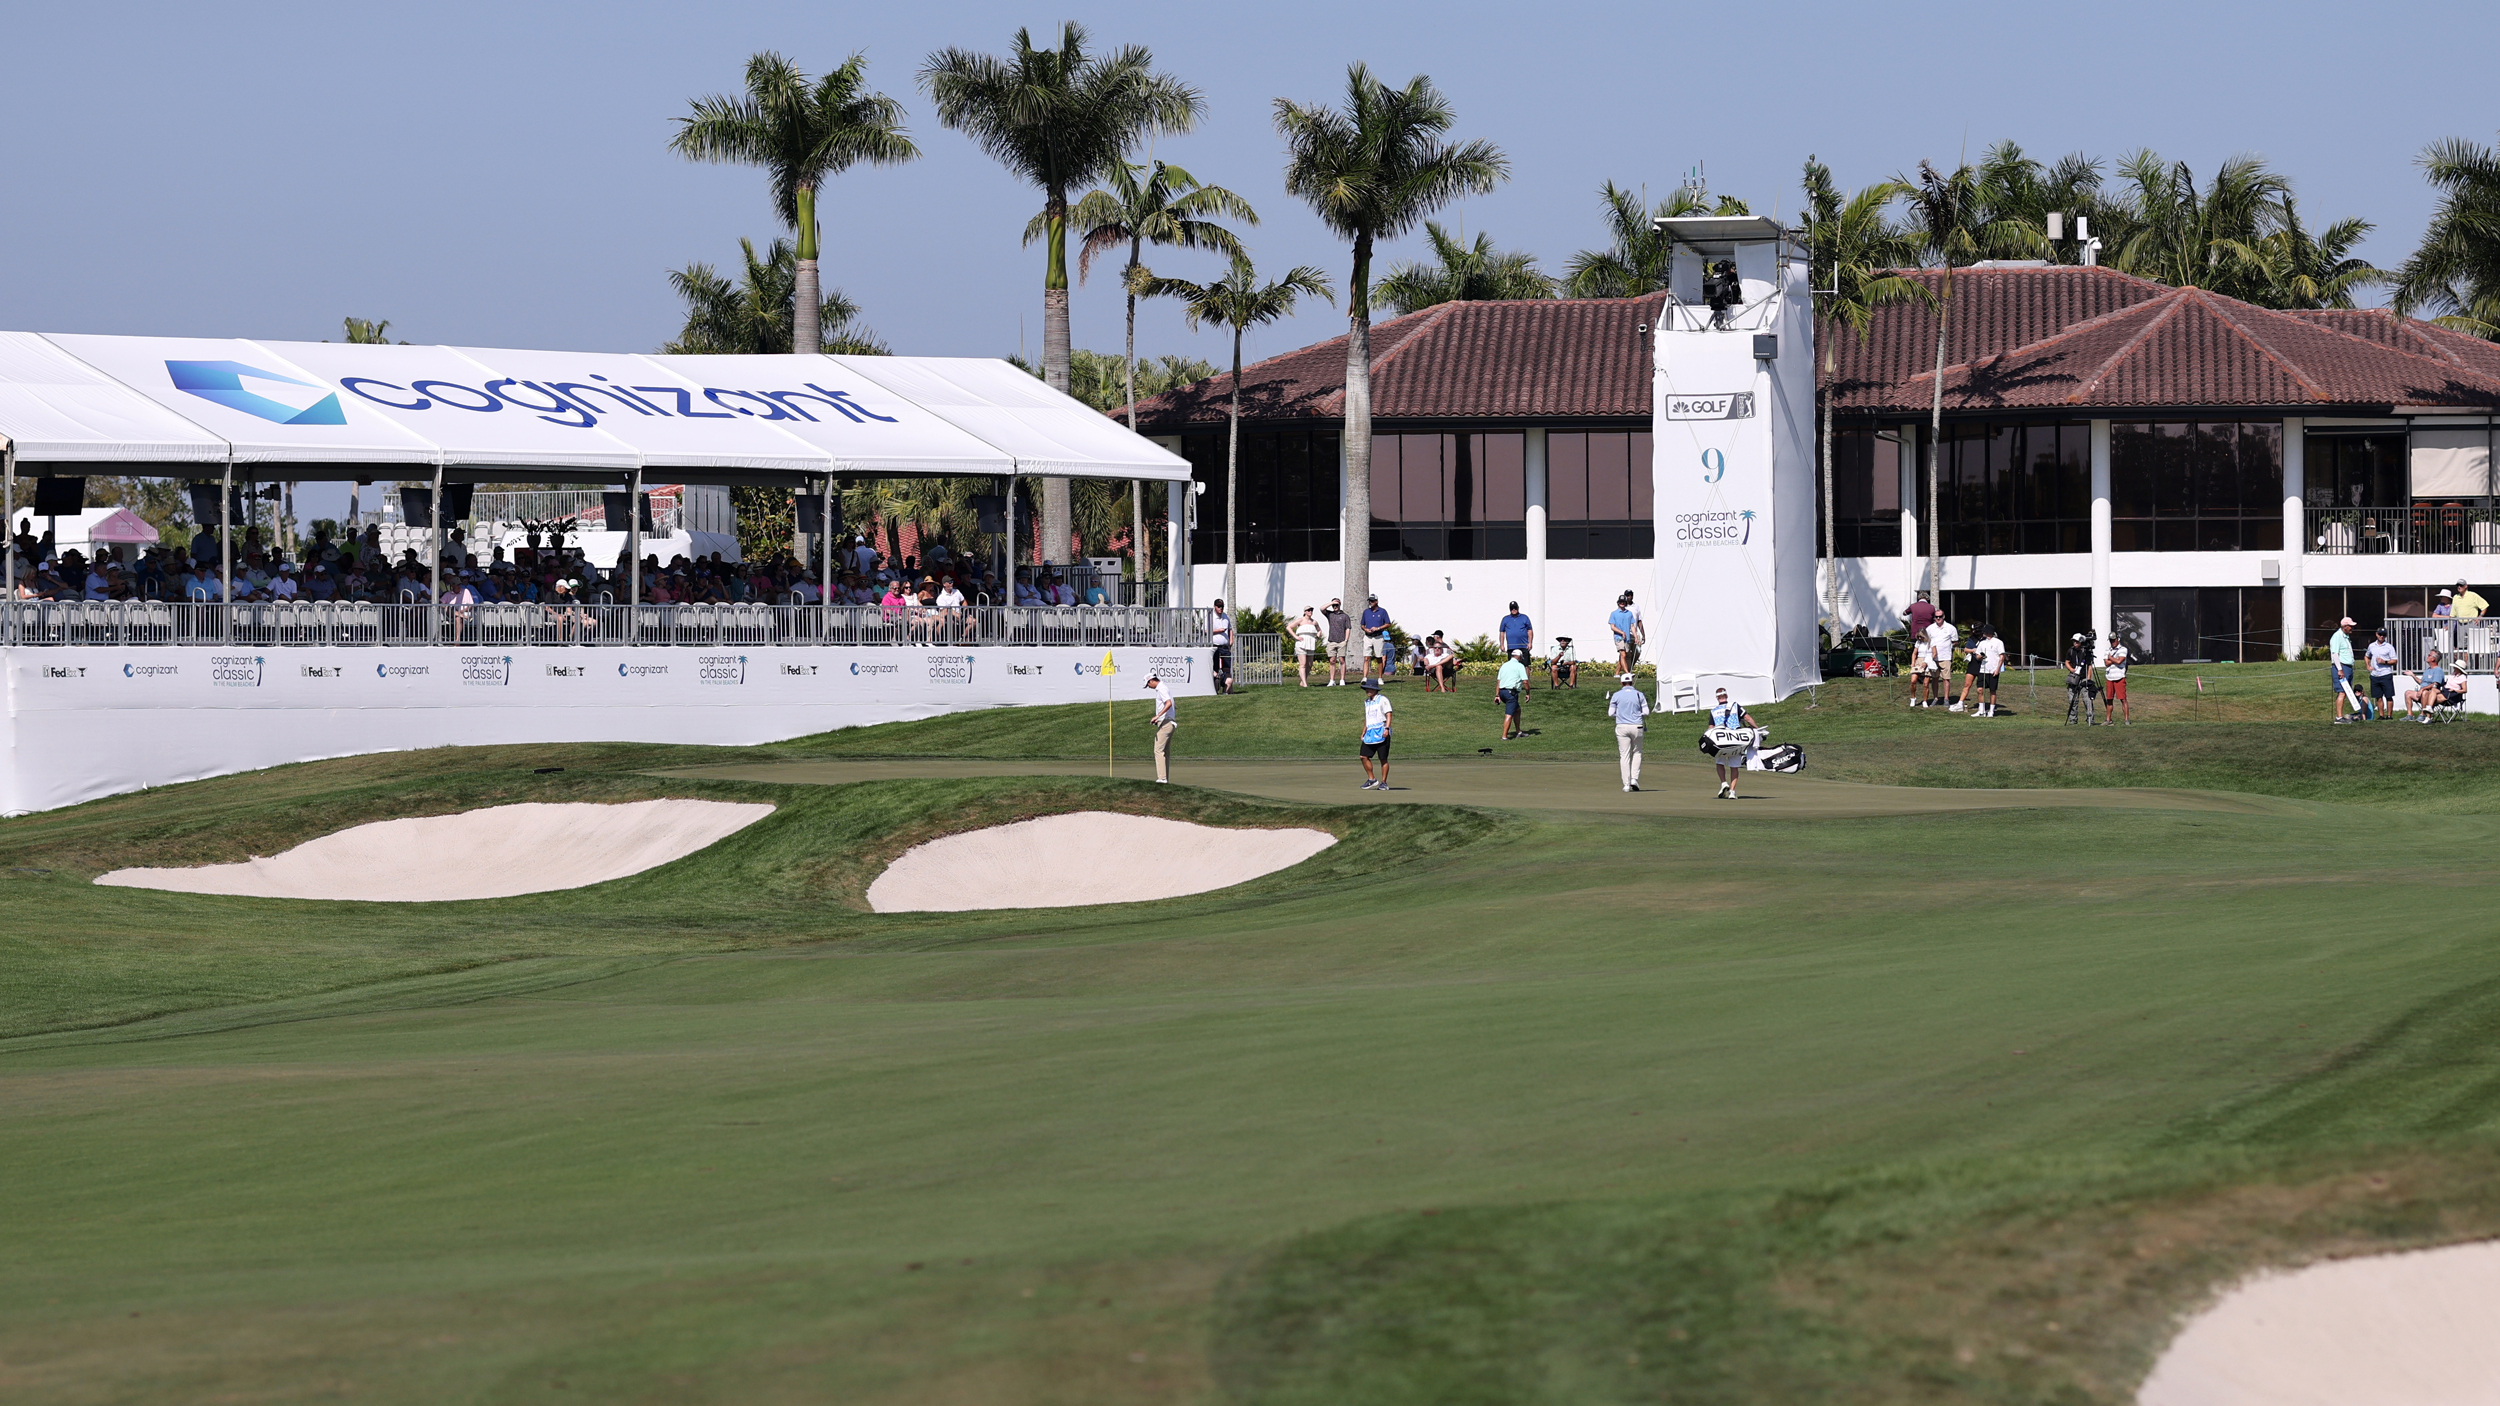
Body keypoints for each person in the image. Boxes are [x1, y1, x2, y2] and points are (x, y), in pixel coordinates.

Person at [1708, 687, 1757, 800]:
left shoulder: (1713, 711)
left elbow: (1711, 727)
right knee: (1734, 767)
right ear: (1727, 696)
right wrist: (1756, 729)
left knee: (1720, 763)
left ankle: (1723, 783)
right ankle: (1732, 791)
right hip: (1735, 739)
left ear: (1717, 698)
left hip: (1720, 741)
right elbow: (1747, 718)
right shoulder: (1735, 706)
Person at [1608, 671, 1651, 792]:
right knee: (1637, 752)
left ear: (1622, 683)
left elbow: (1610, 713)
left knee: (1624, 755)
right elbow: (1646, 712)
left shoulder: (1616, 695)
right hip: (1637, 726)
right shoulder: (1639, 694)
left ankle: (1626, 784)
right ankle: (1634, 779)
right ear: (1631, 682)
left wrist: (1620, 714)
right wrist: (1638, 714)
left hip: (1622, 727)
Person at [1357, 676, 1393, 790]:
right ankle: (1372, 779)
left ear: (1376, 690)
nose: (1368, 691)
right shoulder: (1367, 702)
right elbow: (1367, 718)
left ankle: (1384, 782)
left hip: (1381, 730)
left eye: (1370, 689)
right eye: (1366, 689)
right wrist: (1364, 731)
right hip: (1370, 732)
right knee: (1363, 756)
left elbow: (1388, 714)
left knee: (1383, 758)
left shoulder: (1383, 699)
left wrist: (1386, 728)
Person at [1967, 625, 2007, 717]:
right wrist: (1980, 657)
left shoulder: (1998, 642)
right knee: (1980, 689)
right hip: (1983, 669)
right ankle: (1981, 710)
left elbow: (2001, 657)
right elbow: (1977, 656)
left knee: (1992, 691)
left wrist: (1997, 669)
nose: (1983, 633)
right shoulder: (1982, 643)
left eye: (1984, 631)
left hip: (1993, 669)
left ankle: (1991, 711)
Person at [1146, 672, 1178, 783]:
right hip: (1168, 722)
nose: (1149, 687)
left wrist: (1158, 716)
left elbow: (1168, 703)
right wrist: (1158, 719)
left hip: (1166, 723)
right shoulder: (1163, 688)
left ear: (1151, 681)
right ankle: (1165, 778)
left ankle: (1162, 778)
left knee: (1158, 750)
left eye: (1148, 684)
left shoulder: (1161, 689)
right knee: (1165, 751)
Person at [2063, 631, 2099, 725]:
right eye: (2074, 641)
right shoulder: (2070, 650)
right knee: (2072, 699)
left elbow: (2089, 666)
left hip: (2083, 678)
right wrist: (2072, 669)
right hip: (2074, 677)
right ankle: (2073, 720)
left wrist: (2088, 679)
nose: (2075, 643)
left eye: (2077, 641)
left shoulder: (2086, 652)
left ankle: (2090, 719)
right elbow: (2067, 661)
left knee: (2087, 699)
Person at [2405, 649, 2452, 719]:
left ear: (2433, 659)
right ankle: (2410, 715)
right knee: (2408, 693)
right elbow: (2422, 682)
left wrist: (2422, 689)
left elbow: (2435, 684)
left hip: (2431, 694)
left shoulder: (2438, 670)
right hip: (2421, 692)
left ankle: (2423, 714)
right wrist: (2413, 675)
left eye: (2429, 655)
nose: (2427, 656)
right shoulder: (2428, 670)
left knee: (2424, 692)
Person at [2365, 627, 2400, 720]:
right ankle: (2381, 715)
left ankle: (2389, 715)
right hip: (2375, 675)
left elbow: (2395, 661)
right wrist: (2368, 665)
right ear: (2376, 634)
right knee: (2378, 696)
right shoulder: (2371, 646)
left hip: (2386, 674)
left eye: (2383, 635)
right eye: (2380, 634)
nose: (2381, 636)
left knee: (2388, 696)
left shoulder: (2389, 647)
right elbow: (2367, 656)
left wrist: (2384, 662)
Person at [1497, 601, 1534, 685]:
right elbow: (1502, 632)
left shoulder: (1524, 618)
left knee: (1525, 665)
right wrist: (1502, 644)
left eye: (1515, 608)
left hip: (1523, 645)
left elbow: (1529, 630)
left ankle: (1526, 683)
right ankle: (1513, 682)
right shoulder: (1505, 619)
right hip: (1511, 646)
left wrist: (1530, 642)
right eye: (1512, 608)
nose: (1514, 610)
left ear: (1518, 608)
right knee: (1512, 665)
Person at [2102, 632, 2134, 725]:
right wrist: (2114, 659)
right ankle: (2108, 719)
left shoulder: (2123, 649)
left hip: (2119, 676)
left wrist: (2111, 658)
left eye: (2114, 640)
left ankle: (2127, 719)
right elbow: (2106, 663)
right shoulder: (2107, 650)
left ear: (2118, 639)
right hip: (2109, 676)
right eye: (2111, 641)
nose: (2112, 642)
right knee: (2109, 699)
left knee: (2123, 698)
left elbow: (2120, 661)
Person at [1496, 648, 1529, 739]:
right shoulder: (1520, 666)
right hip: (1511, 693)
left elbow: (1499, 681)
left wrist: (1497, 695)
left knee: (1517, 710)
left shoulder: (1504, 665)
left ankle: (1518, 731)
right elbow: (1525, 681)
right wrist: (1528, 693)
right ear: (1519, 657)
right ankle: (1504, 736)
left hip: (1502, 692)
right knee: (1509, 714)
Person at [1608, 592, 1643, 674]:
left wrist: (1636, 637)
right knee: (1623, 654)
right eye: (1620, 602)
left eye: (1623, 602)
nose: (1622, 603)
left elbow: (1632, 626)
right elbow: (1612, 627)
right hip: (1618, 637)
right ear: (1618, 603)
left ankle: (1617, 673)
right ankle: (1627, 673)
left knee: (1625, 655)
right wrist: (1621, 632)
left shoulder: (1629, 613)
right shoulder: (1614, 613)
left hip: (1627, 638)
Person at [1358, 594, 1392, 681]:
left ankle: (1380, 678)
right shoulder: (1366, 612)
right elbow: (1362, 625)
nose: (1370, 602)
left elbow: (1388, 623)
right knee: (1366, 657)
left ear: (1376, 601)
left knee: (1379, 657)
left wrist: (1378, 628)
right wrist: (1366, 629)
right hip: (1368, 637)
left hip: (1378, 637)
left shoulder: (1382, 611)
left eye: (1372, 601)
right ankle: (1364, 677)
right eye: (1370, 601)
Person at [1322, 598, 1352, 686]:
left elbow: (1348, 628)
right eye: (1333, 605)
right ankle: (1332, 680)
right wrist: (1331, 602)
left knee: (1342, 660)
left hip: (1341, 641)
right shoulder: (1330, 614)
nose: (1335, 607)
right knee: (1332, 660)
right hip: (1331, 641)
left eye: (1336, 605)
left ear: (1339, 605)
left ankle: (1342, 679)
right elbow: (1321, 609)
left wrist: (1346, 639)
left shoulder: (1345, 616)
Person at [1291, 606, 1322, 686]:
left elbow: (1319, 630)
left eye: (1311, 610)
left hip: (1311, 643)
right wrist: (1296, 636)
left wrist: (1318, 635)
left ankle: (1303, 681)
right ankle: (1305, 683)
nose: (1310, 612)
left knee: (1309, 664)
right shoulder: (1300, 620)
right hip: (1301, 643)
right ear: (1305, 612)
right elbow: (1289, 627)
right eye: (1308, 610)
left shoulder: (1314, 622)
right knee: (1303, 664)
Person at [1209, 598, 1234, 694]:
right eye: (1218, 606)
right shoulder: (1210, 617)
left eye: (1222, 606)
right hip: (1215, 647)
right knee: (1214, 669)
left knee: (1227, 669)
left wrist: (1231, 641)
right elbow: (1206, 631)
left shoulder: (1225, 617)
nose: (1220, 608)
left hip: (1225, 647)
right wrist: (1218, 631)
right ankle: (1215, 688)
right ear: (1215, 606)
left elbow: (1230, 629)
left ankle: (1227, 689)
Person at [1910, 632, 1939, 708]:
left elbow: (1934, 653)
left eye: (1921, 636)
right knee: (1913, 680)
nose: (1920, 638)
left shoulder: (1931, 641)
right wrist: (1913, 662)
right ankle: (1913, 698)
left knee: (1926, 684)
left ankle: (1925, 701)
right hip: (1919, 660)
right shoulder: (1918, 642)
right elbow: (1914, 653)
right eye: (1918, 637)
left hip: (1928, 660)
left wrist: (1926, 662)